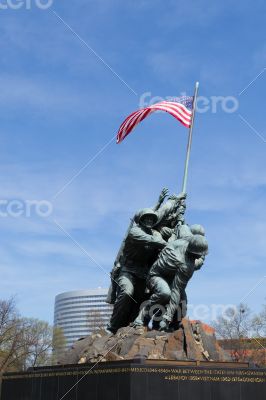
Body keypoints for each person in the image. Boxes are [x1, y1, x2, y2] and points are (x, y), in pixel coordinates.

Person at [106, 208, 167, 334]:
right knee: (127, 292)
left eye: (152, 218)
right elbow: (153, 241)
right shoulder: (135, 231)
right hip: (127, 270)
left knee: (139, 301)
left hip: (143, 273)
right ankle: (112, 326)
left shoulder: (155, 234)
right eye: (147, 218)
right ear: (141, 219)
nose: (149, 220)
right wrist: (167, 244)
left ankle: (131, 325)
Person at [134, 234, 208, 331]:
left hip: (171, 279)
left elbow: (177, 290)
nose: (200, 256)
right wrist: (167, 318)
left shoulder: (182, 242)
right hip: (156, 275)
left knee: (183, 303)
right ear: (195, 253)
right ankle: (142, 316)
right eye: (200, 254)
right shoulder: (186, 266)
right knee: (165, 293)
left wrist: (167, 318)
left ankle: (173, 327)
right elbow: (176, 290)